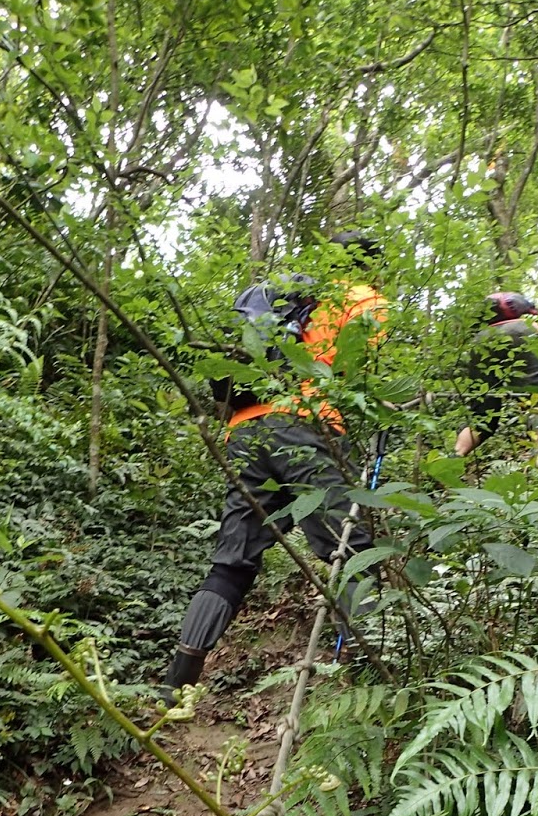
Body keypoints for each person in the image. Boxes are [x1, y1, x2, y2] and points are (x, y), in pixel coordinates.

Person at [159, 234, 388, 700]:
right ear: (369, 266)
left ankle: (176, 683)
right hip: (306, 423)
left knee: (232, 562)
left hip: (244, 430)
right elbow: (360, 371)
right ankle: (372, 682)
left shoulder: (282, 296)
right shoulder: (362, 299)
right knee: (351, 550)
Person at [455, 292, 538, 459]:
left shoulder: (482, 335)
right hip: (521, 334)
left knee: (482, 417)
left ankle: (455, 456)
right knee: (536, 402)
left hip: (481, 342)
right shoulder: (530, 326)